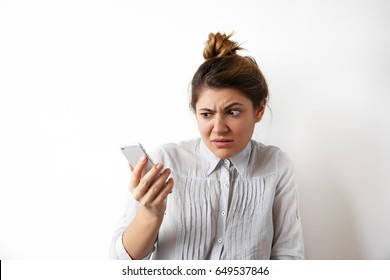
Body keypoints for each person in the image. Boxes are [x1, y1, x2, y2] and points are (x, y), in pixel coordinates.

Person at [109, 32, 304, 260]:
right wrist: (152, 212)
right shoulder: (166, 160)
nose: (218, 128)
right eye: (207, 114)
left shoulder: (276, 165)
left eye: (233, 112)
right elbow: (120, 262)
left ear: (259, 110)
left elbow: (289, 255)